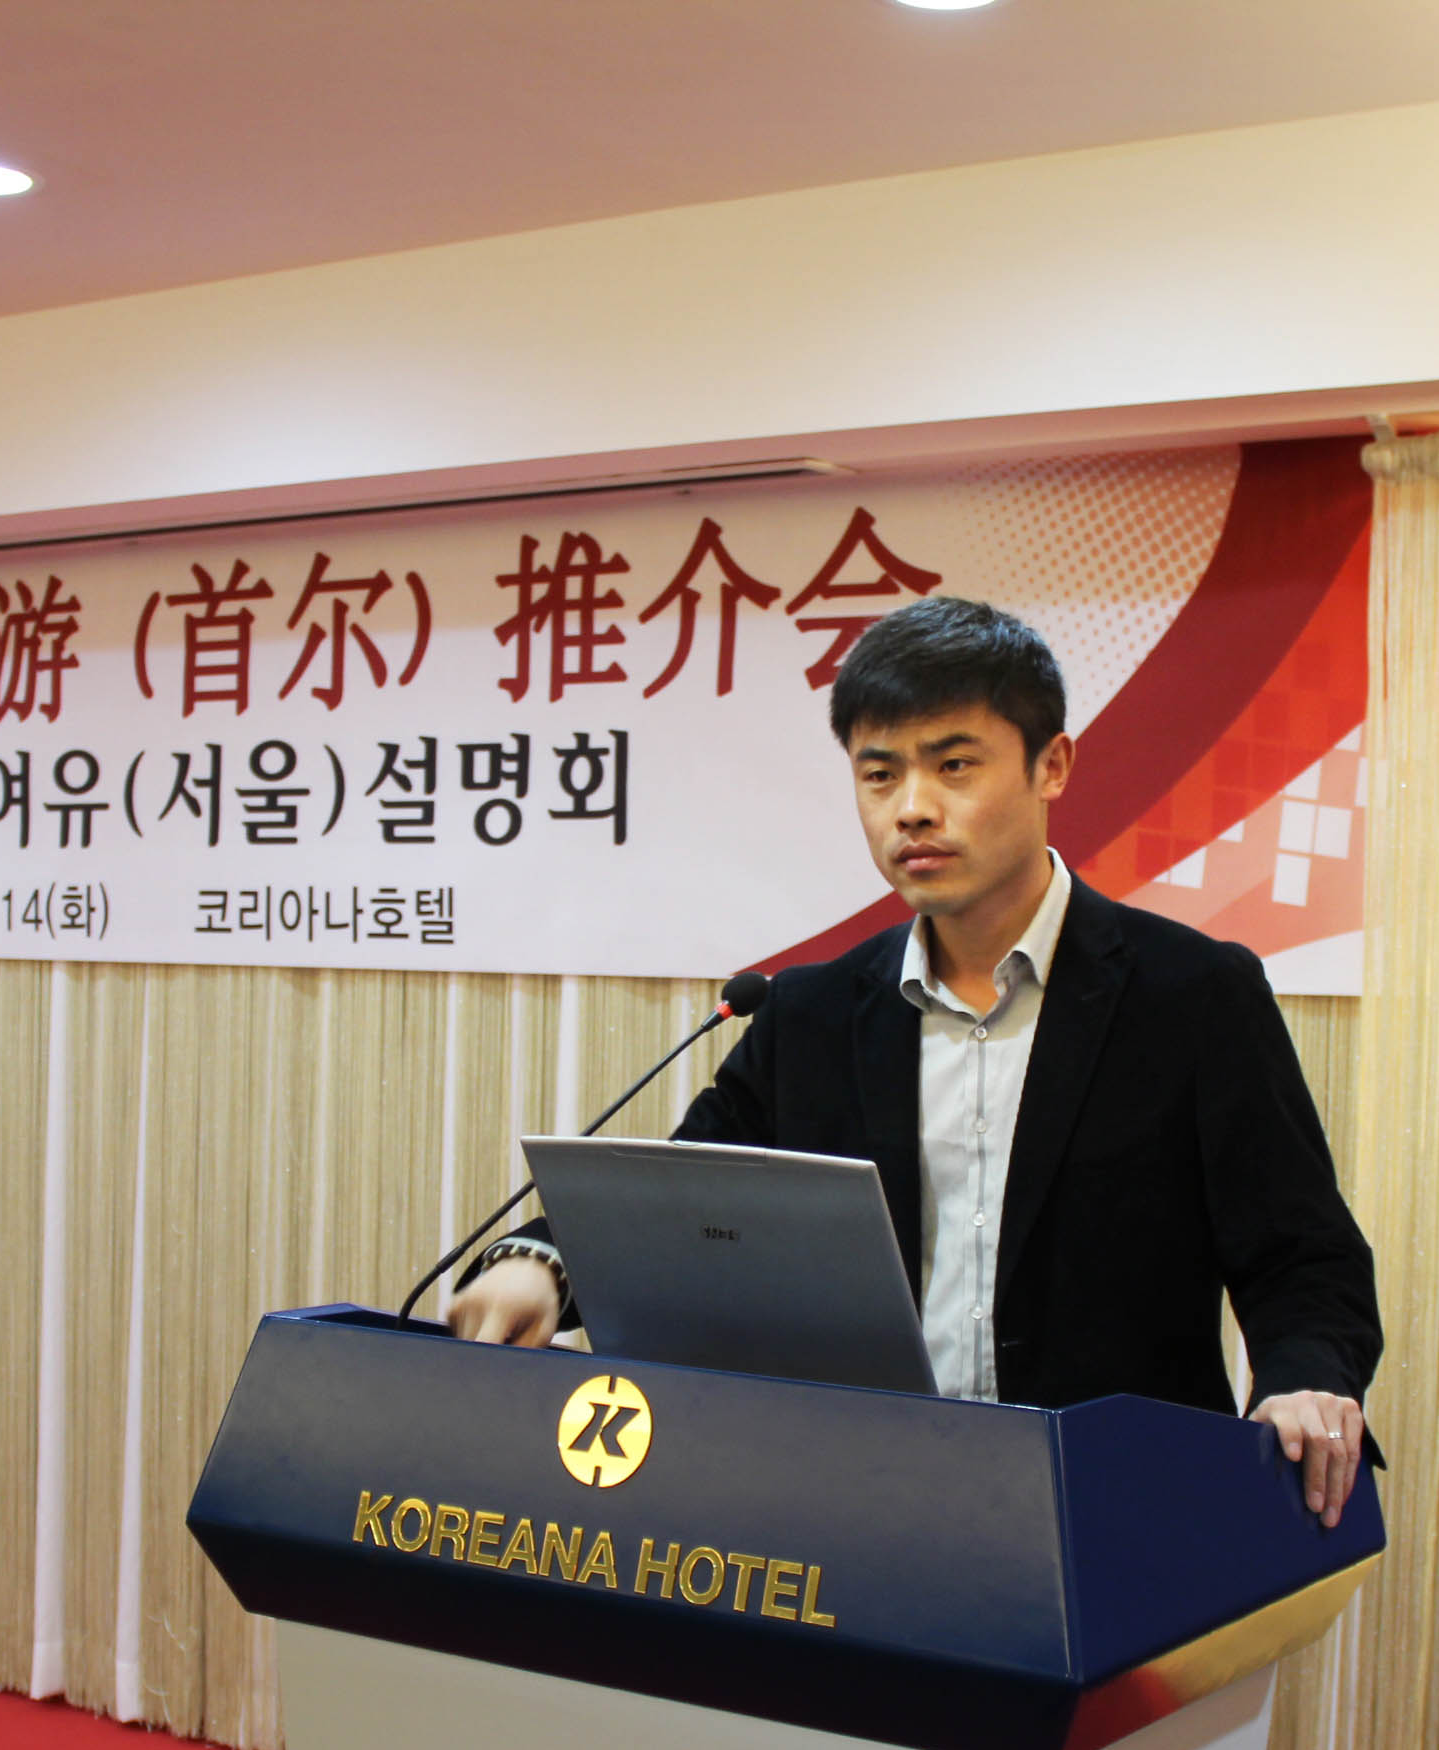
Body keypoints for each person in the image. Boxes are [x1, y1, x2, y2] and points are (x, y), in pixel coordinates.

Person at [446, 592, 1379, 1527]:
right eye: (880, 775)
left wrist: (1302, 1381)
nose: (913, 809)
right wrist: (541, 1262)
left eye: (954, 765)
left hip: (1117, 1507)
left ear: (1052, 765)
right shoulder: (809, 1013)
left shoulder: (1192, 995)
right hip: (864, 1511)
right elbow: (674, 1197)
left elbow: (1304, 1258)